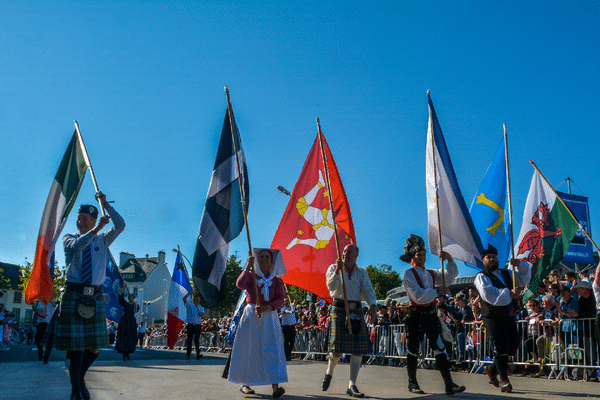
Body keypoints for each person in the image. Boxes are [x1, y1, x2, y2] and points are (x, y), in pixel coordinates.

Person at [55, 192, 125, 400]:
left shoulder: (103, 240)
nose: (80, 221)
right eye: (79, 218)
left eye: (85, 218)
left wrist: (106, 205)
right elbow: (79, 246)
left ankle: (81, 378)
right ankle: (76, 389)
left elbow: (120, 225)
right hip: (74, 294)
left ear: (94, 219)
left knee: (94, 347)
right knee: (76, 348)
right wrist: (96, 229)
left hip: (93, 296)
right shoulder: (70, 239)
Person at [400, 234, 465, 396]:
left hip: (430, 315)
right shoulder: (409, 274)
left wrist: (449, 260)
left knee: (439, 348)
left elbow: (448, 278)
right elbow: (417, 296)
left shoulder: (430, 273)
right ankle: (412, 383)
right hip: (416, 316)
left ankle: (449, 384)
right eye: (418, 254)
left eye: (423, 254)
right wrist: (437, 291)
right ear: (412, 256)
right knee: (413, 348)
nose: (422, 257)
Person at [228, 248, 287, 398]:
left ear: (272, 261)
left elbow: (281, 299)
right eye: (261, 257)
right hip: (251, 316)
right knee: (249, 348)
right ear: (257, 259)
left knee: (272, 349)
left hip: (270, 316)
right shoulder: (251, 276)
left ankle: (275, 386)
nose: (264, 259)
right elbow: (240, 285)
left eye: (267, 257)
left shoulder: (277, 280)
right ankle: (245, 384)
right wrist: (248, 266)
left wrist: (268, 307)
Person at [321, 244, 377, 398]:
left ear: (356, 255)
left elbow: (368, 290)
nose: (346, 253)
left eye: (350, 252)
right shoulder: (333, 268)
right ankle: (329, 373)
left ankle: (352, 384)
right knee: (337, 350)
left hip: (356, 310)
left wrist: (372, 305)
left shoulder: (361, 272)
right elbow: (331, 286)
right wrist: (338, 271)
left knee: (357, 349)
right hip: (339, 309)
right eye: (344, 251)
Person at [474, 244, 530, 393]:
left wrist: (520, 265)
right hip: (492, 315)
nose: (491, 259)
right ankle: (504, 380)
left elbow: (523, 280)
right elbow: (488, 294)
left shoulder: (507, 274)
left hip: (507, 313)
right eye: (488, 257)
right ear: (484, 260)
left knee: (512, 344)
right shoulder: (482, 276)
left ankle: (492, 370)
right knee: (500, 346)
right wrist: (509, 293)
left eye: (493, 256)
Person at [115, 284, 139, 361]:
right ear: (129, 298)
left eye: (133, 297)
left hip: (131, 321)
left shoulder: (135, 305)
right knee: (124, 336)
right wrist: (123, 288)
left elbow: (136, 310)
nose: (131, 298)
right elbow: (121, 298)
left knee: (131, 337)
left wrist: (135, 306)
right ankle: (124, 354)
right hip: (125, 321)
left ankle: (128, 352)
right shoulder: (126, 304)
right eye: (130, 297)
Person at [183, 291, 205, 360]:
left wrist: (197, 307)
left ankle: (198, 354)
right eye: (196, 299)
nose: (197, 300)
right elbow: (184, 299)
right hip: (190, 325)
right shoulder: (190, 305)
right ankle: (188, 354)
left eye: (198, 299)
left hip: (198, 325)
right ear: (194, 299)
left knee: (197, 340)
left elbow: (201, 314)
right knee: (189, 340)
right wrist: (190, 293)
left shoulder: (201, 307)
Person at [35, 299, 56, 363]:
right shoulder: (41, 302)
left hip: (50, 324)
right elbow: (39, 311)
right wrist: (41, 315)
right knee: (39, 340)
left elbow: (56, 306)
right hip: (42, 323)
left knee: (50, 343)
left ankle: (46, 358)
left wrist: (50, 301)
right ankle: (40, 353)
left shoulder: (53, 303)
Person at [280, 294, 298, 361]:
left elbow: (296, 298)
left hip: (292, 327)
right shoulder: (283, 308)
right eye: (284, 301)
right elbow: (285, 312)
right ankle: (285, 355)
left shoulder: (292, 306)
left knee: (292, 341)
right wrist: (290, 312)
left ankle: (289, 354)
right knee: (286, 341)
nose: (286, 302)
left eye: (287, 301)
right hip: (286, 327)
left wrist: (289, 294)